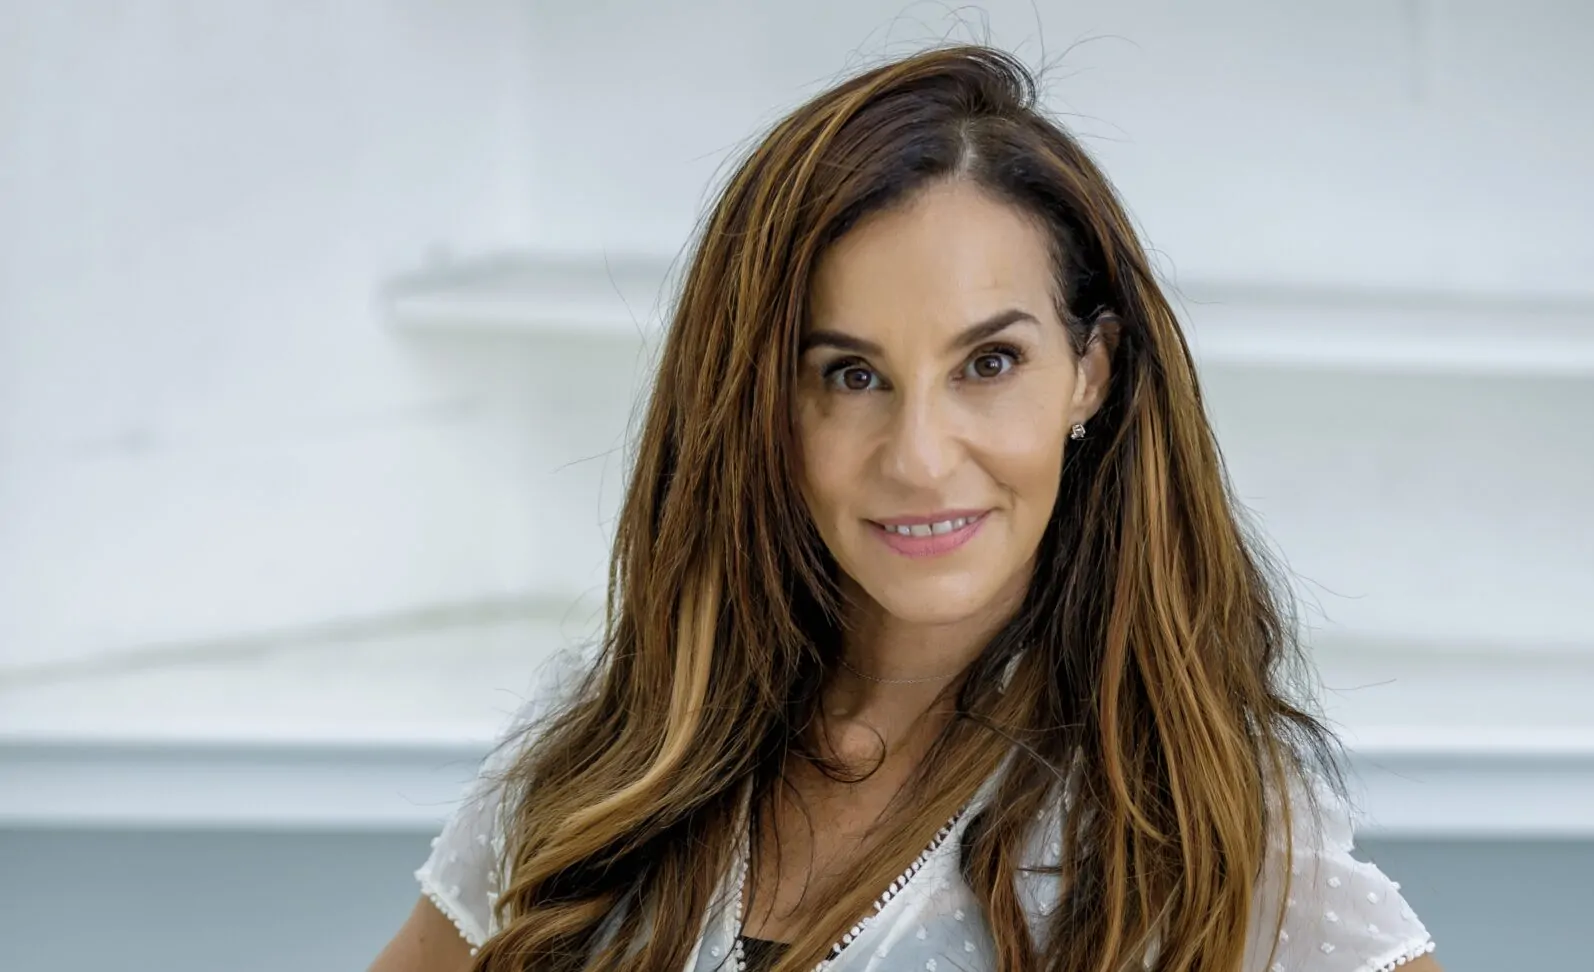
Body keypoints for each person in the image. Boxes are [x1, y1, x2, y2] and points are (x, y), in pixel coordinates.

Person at [369, 44, 1441, 972]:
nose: (921, 459)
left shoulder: (1198, 824)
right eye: (851, 375)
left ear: (1091, 372)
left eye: (989, 362)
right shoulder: (613, 751)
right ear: (761, 405)